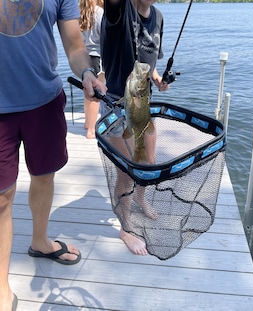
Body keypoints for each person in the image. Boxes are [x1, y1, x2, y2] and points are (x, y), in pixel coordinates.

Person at [0, 1, 107, 310]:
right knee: (2, 197)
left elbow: (74, 44)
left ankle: (40, 240)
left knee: (44, 176)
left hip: (44, 101)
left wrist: (87, 71)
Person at [101, 0, 170, 256]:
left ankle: (140, 198)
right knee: (126, 172)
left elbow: (150, 65)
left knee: (148, 162)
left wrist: (159, 81)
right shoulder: (119, 11)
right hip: (116, 106)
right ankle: (126, 228)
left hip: (142, 103)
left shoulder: (158, 18)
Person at [79, 0, 105, 139]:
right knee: (96, 95)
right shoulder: (100, 13)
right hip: (97, 57)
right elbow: (105, 37)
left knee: (87, 92)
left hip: (82, 57)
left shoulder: (80, 13)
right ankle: (92, 130)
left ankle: (87, 122)